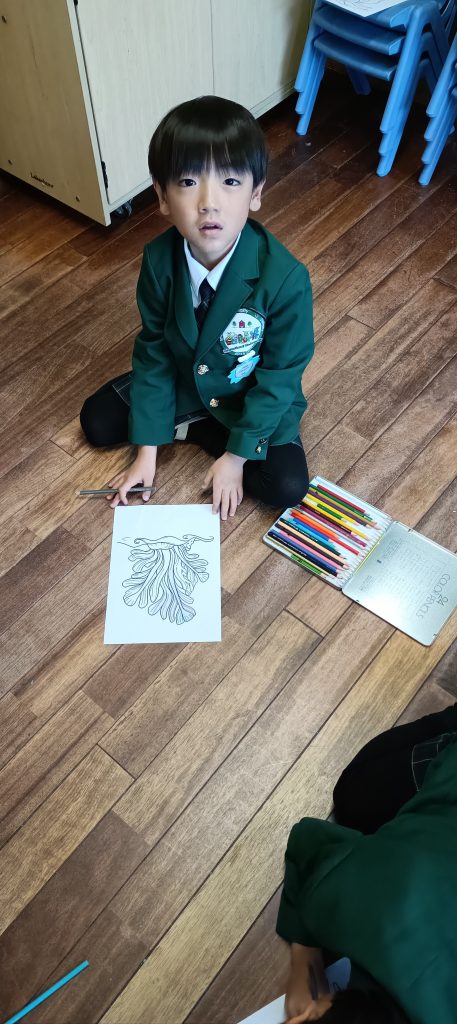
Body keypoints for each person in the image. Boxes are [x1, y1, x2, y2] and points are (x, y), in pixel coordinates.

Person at [80, 95, 314, 520]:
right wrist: (146, 454)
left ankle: (203, 430)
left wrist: (237, 458)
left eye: (230, 181)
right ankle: (197, 426)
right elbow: (154, 351)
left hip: (248, 395)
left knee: (286, 487)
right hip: (185, 377)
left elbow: (280, 376)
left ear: (256, 193)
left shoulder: (286, 277)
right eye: (188, 182)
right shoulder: (158, 260)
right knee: (96, 422)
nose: (209, 201)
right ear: (162, 197)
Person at [276, 703, 457, 1024]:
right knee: (355, 792)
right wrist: (304, 948)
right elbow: (307, 841)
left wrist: (304, 951)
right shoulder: (344, 903)